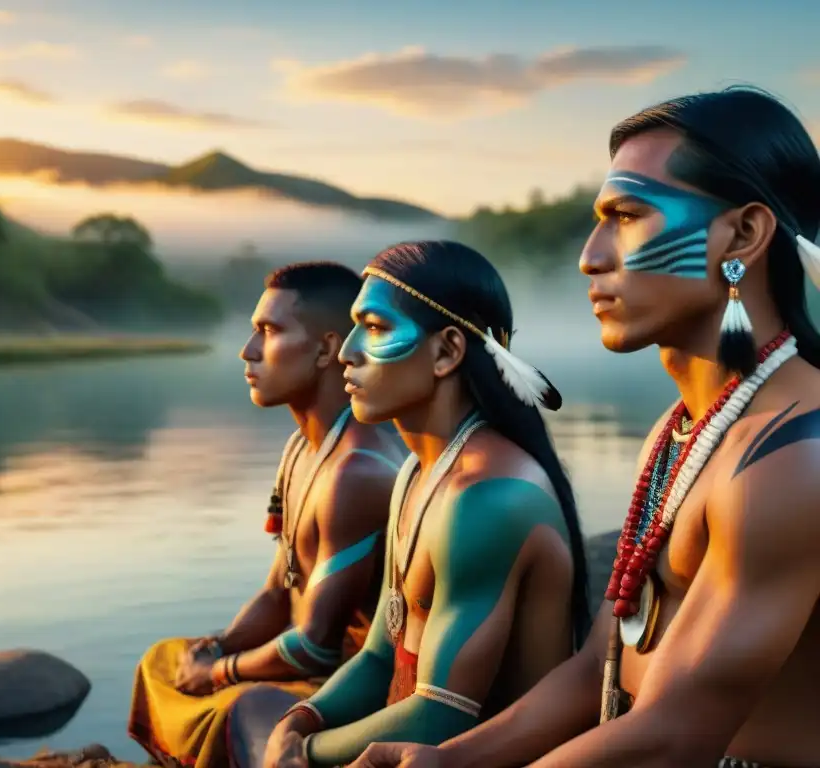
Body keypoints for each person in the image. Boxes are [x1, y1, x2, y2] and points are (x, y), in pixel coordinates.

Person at [347, 86, 820, 768]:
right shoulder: (683, 430)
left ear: (743, 234)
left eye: (627, 216)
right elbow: (600, 659)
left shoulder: (792, 453)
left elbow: (674, 736)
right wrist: (447, 761)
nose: (590, 257)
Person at [262, 240, 591, 768]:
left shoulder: (488, 498)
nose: (346, 351)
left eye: (372, 328)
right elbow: (377, 656)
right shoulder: (419, 469)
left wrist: (304, 753)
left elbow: (442, 714)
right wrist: (302, 720)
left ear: (446, 352)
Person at [128, 261, 405, 768]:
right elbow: (280, 590)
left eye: (269, 331)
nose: (247, 351)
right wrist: (216, 647)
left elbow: (318, 650)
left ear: (326, 350)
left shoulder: (358, 471)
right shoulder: (301, 447)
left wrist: (219, 672)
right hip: (297, 663)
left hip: (351, 687)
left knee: (244, 705)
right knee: (164, 660)